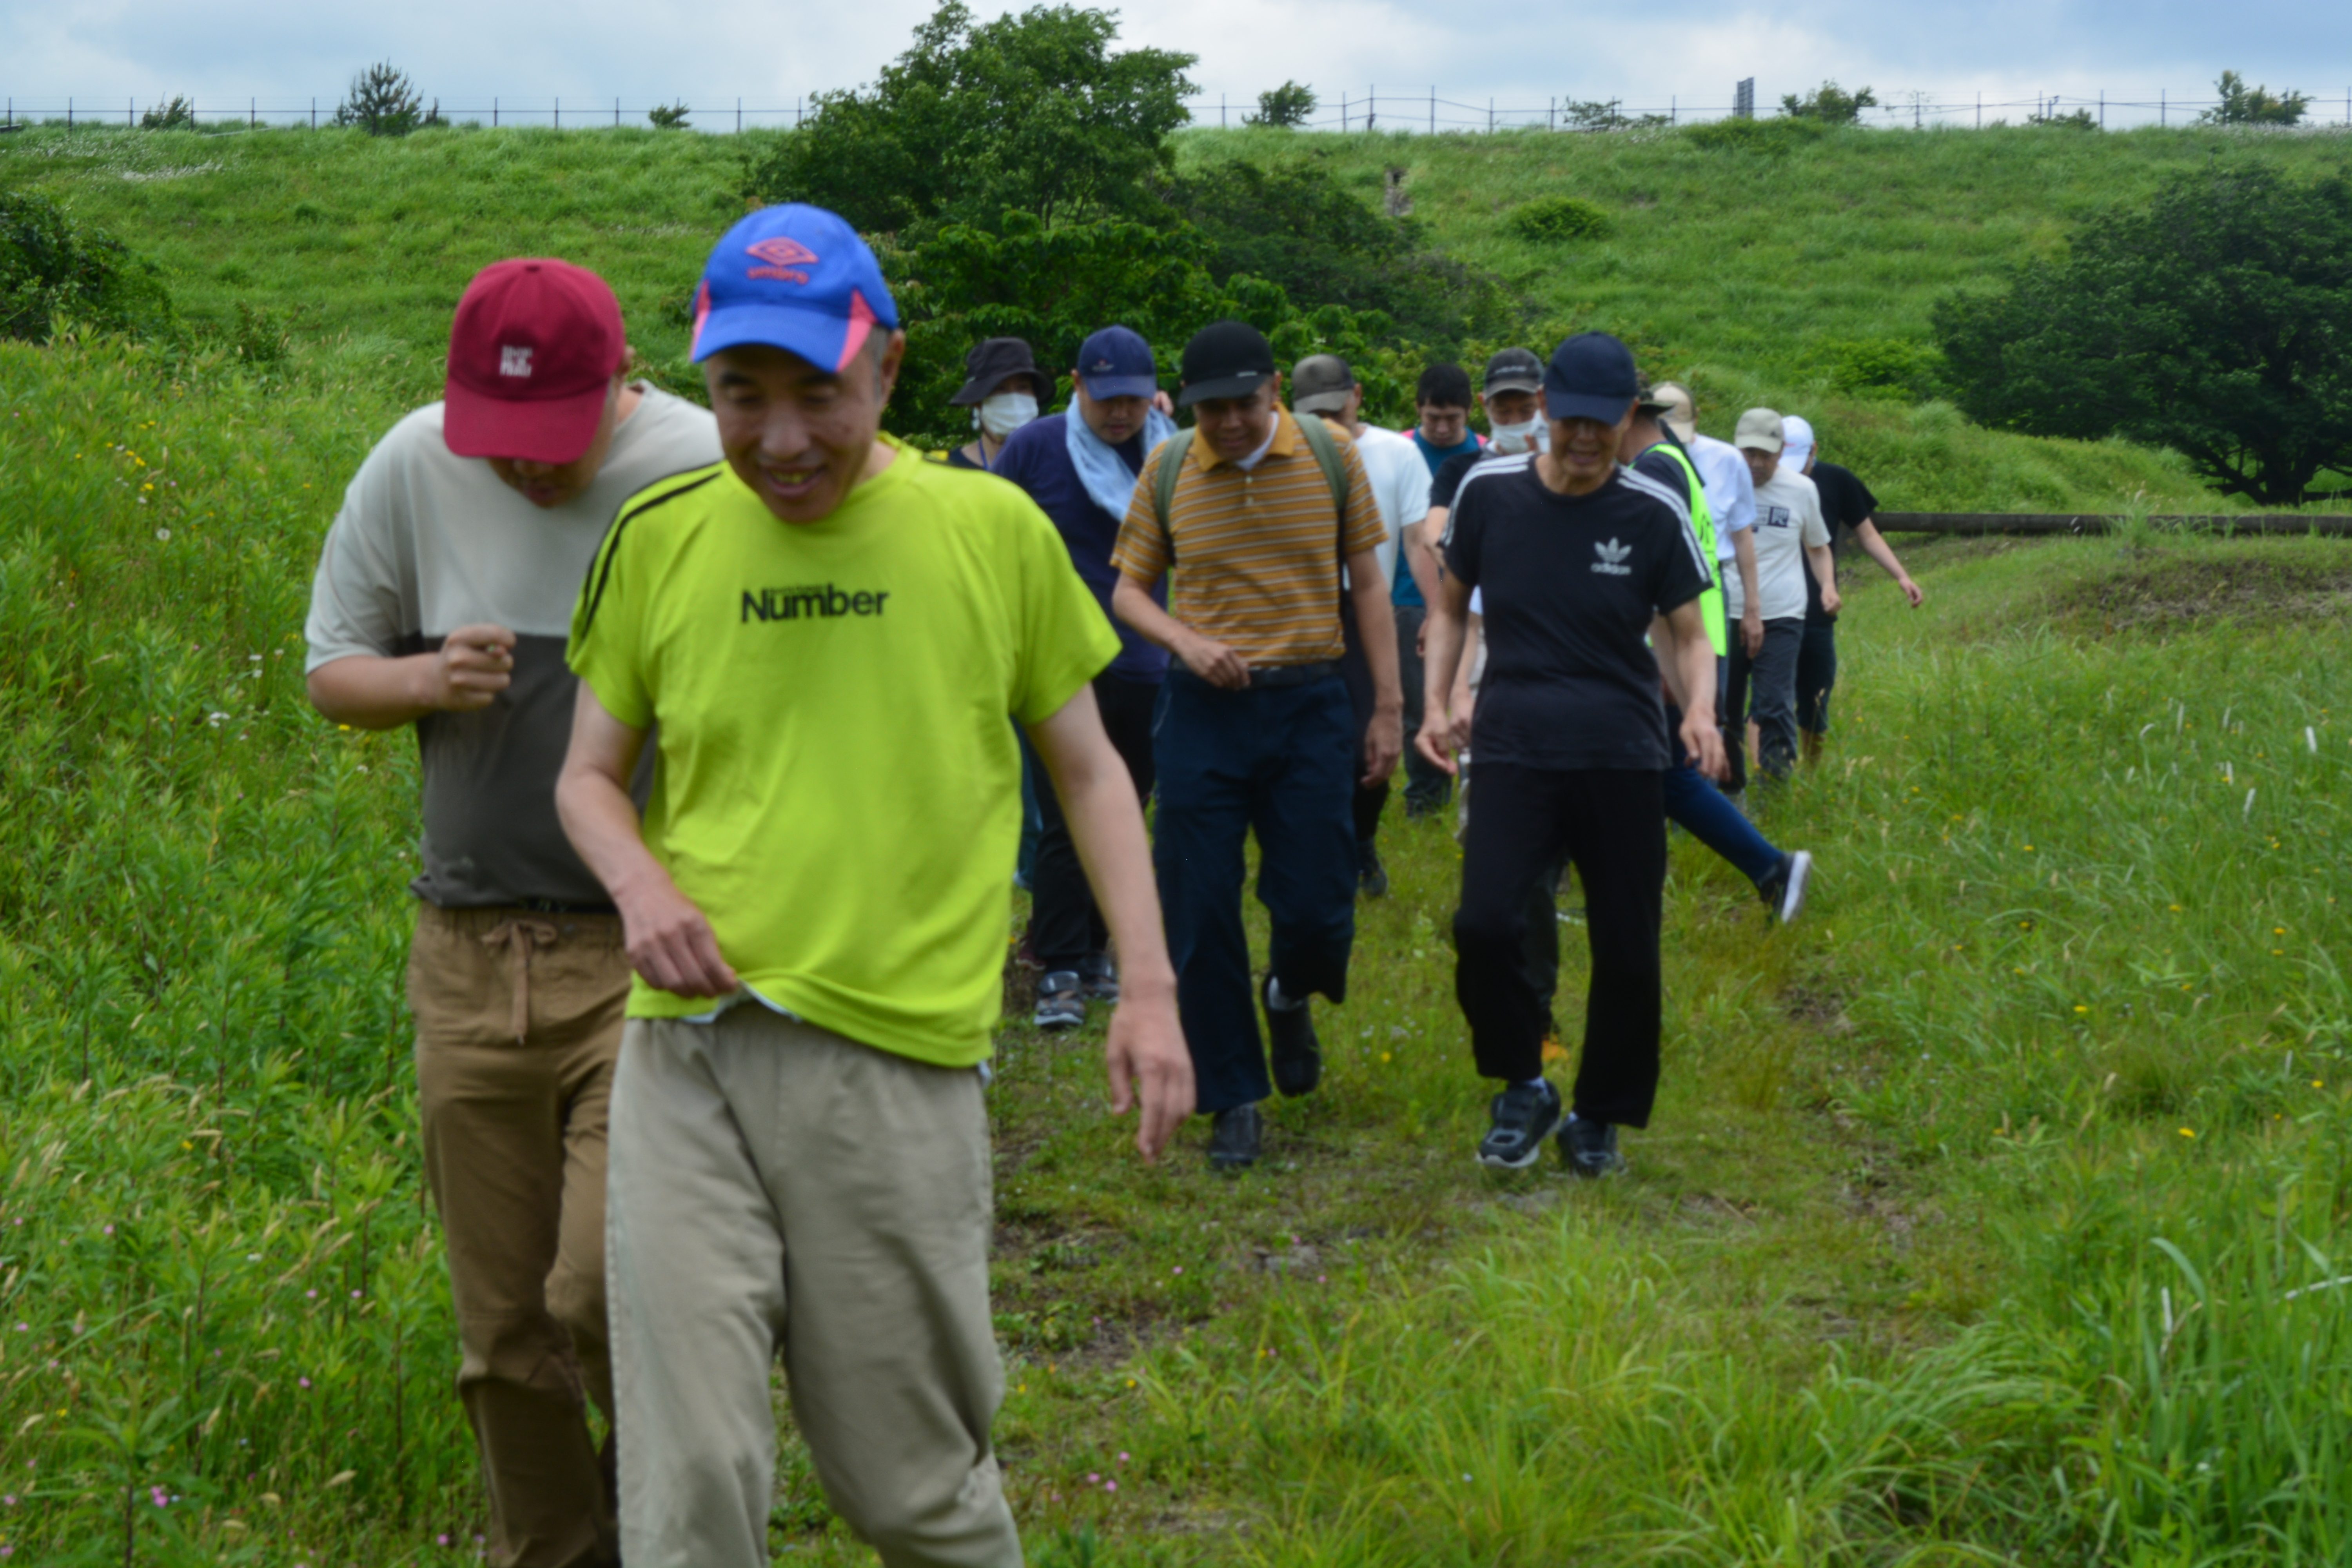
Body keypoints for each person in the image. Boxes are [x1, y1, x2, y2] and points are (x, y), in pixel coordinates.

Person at [554, 204, 1193, 1568]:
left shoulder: (988, 531)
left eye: (816, 395)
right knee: (693, 1483)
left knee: (913, 1490)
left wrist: (1147, 988)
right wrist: (638, 887)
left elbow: (1086, 773)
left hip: (897, 1060)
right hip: (688, 1061)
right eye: (742, 395)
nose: (779, 439)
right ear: (703, 381)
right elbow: (587, 778)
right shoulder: (660, 536)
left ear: (888, 370)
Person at [303, 257, 721, 1568]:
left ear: (620, 382)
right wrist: (427, 677)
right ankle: (555, 1551)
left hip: (645, 952)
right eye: (505, 444)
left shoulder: (702, 466)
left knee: (607, 1293)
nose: (530, 472)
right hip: (471, 949)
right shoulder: (414, 464)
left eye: (554, 443)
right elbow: (332, 673)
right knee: (500, 1330)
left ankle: (674, 1529)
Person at [1415, 332, 1724, 1178]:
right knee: (1483, 923)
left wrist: (1700, 709)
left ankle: (1600, 1114)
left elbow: (1690, 634)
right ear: (1546, 408)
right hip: (1513, 743)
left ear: (1630, 418)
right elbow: (1448, 610)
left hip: (1622, 751)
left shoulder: (1649, 510)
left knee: (1629, 944)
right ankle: (1524, 1083)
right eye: (1572, 422)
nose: (1586, 441)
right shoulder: (1487, 493)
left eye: (1604, 425)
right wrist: (1437, 702)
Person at [1109, 319, 1401, 1171]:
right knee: (1199, 904)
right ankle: (1233, 1092)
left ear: (1273, 387)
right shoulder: (1168, 468)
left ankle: (1288, 992)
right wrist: (1186, 642)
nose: (1229, 422)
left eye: (1243, 403)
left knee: (1316, 903)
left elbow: (1371, 585)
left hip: (1311, 700)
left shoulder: (1328, 454)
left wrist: (1388, 708)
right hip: (1204, 708)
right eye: (1210, 409)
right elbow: (1128, 592)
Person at [994, 325, 1176, 1027]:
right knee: (1068, 814)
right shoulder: (1035, 448)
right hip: (1056, 666)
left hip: (1147, 665)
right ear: (1076, 386)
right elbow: (993, 538)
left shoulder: (1171, 450)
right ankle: (1058, 966)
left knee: (1127, 808)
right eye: (1106, 400)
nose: (1120, 414)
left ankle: (1096, 952)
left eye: (1132, 399)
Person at [1291, 352, 1432, 900]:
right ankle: (1313, 853)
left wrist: (1439, 612)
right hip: (1297, 608)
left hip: (1363, 609)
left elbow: (1419, 540)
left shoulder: (1398, 454)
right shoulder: (1279, 454)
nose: (1330, 425)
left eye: (1337, 410)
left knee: (1370, 741)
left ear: (1359, 395)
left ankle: (1362, 839)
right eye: (1315, 415)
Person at [1778, 415, 1924, 764]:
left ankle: (1810, 779)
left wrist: (1902, 577)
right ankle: (1769, 779)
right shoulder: (1763, 481)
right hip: (1772, 606)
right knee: (1770, 700)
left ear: (1814, 449)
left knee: (1816, 700)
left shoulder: (1836, 480)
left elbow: (1868, 534)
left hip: (1819, 607)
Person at [1651, 381, 1765, 789]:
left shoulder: (1726, 459)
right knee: (1655, 705)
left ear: (1697, 419)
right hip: (1651, 594)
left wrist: (1753, 608)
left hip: (1710, 589)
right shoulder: (1640, 458)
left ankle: (1714, 799)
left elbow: (1742, 534)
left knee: (1708, 702)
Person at [1723, 408, 1838, 785]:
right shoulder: (1718, 482)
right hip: (1727, 610)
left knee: (1774, 704)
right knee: (1724, 705)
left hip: (1784, 613)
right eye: (1749, 453)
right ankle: (1731, 791)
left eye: (1766, 455)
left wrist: (1828, 587)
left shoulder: (1802, 489)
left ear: (1780, 452)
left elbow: (1818, 547)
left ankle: (1775, 794)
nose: (1757, 463)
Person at [1392, 362, 1482, 818]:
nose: (1444, 429)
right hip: (1409, 596)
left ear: (1470, 412)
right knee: (1418, 700)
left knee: (1471, 696)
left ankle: (1473, 787)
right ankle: (1425, 797)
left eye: (1453, 419)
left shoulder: (1485, 453)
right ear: (1418, 410)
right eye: (1433, 418)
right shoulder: (1400, 451)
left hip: (1476, 601)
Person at [946, 336, 1050, 471]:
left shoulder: (1057, 465)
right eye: (1000, 389)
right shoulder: (951, 468)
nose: (1014, 400)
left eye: (1023, 387)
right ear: (978, 402)